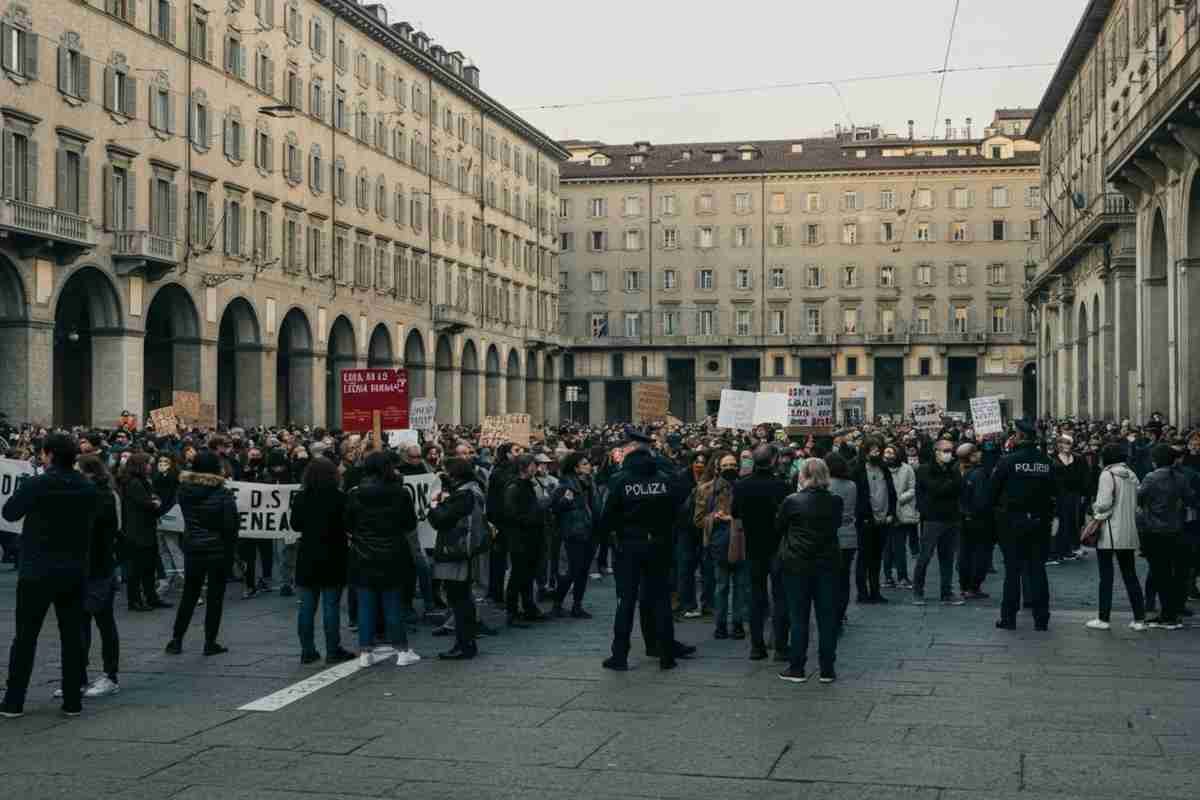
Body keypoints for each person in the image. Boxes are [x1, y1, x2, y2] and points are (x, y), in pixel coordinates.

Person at [1, 433, 100, 718]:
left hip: (37, 570)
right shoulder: (87, 486)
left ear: (49, 455)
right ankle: (72, 701)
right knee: (72, 636)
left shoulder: (37, 484)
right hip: (73, 570)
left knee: (25, 637)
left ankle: (14, 701)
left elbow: (9, 513)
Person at [598, 431, 680, 671]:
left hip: (629, 546)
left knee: (626, 601)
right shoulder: (664, 478)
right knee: (661, 599)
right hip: (659, 544)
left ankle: (620, 656)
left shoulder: (621, 479)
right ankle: (667, 656)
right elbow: (676, 508)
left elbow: (607, 516)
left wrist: (612, 534)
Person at [345, 451, 422, 667]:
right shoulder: (400, 492)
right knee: (392, 604)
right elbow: (409, 524)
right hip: (392, 553)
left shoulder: (355, 493)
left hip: (362, 555)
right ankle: (402, 650)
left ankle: (365, 652)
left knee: (366, 605)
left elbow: (348, 524)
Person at [775, 457, 843, 684]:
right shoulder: (836, 501)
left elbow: (779, 526)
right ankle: (827, 669)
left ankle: (797, 667)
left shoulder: (792, 500)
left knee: (799, 617)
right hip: (827, 564)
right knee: (827, 618)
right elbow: (836, 525)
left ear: (803, 475)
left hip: (797, 564)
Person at [165, 451, 239, 656]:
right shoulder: (222, 493)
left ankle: (176, 639)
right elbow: (230, 525)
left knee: (189, 594)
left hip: (193, 547)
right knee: (215, 597)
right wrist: (231, 550)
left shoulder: (184, 490)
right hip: (218, 550)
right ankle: (209, 642)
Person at [989, 420, 1056, 631]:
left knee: (1012, 572)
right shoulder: (1046, 462)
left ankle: (1009, 618)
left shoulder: (1007, 462)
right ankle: (1041, 618)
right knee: (1037, 569)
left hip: (1012, 522)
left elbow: (992, 493)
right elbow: (1055, 492)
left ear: (1018, 437)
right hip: (1039, 522)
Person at [290, 456, 354, 665]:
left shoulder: (301, 497)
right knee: (331, 605)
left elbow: (296, 525)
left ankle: (307, 651)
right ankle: (333, 649)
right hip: (333, 554)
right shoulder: (340, 498)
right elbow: (348, 525)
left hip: (308, 554)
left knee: (307, 606)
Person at [732, 445, 791, 661]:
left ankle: (757, 647)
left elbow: (735, 512)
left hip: (754, 546)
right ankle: (781, 647)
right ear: (774, 460)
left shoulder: (741, 485)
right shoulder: (782, 486)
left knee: (756, 598)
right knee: (780, 597)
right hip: (776, 546)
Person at [70, 455, 122, 699]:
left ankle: (110, 676)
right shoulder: (87, 494)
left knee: (102, 620)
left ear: (89, 473)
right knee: (80, 623)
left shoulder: (102, 496)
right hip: (83, 567)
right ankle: (78, 677)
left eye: (77, 470)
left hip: (100, 567)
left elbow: (105, 529)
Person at [428, 457, 487, 660]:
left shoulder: (463, 495)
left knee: (458, 598)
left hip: (456, 549)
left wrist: (435, 505)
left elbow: (441, 519)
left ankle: (464, 644)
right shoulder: (472, 489)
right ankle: (466, 642)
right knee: (463, 598)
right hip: (465, 549)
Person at [1085, 443, 1147, 631]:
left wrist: (1095, 514)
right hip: (1128, 531)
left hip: (1110, 531)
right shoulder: (1132, 475)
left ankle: (1104, 619)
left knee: (1106, 576)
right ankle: (1139, 619)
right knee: (1130, 575)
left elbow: (1104, 504)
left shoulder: (1108, 474)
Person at [1138, 444, 1195, 630]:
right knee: (1171, 573)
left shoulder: (1151, 477)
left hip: (1155, 531)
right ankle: (1171, 612)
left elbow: (1139, 497)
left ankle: (1167, 616)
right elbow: (1190, 499)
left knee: (1159, 573)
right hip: (1175, 529)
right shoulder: (1180, 478)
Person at [695, 451, 748, 639]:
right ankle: (721, 624)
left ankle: (738, 623)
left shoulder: (744, 488)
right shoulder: (706, 489)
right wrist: (714, 518)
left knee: (741, 586)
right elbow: (698, 519)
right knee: (722, 586)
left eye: (733, 465)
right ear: (718, 468)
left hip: (741, 543)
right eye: (725, 466)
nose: (729, 469)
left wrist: (732, 518)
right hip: (718, 543)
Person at [913, 438, 965, 606]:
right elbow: (935, 489)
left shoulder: (953, 469)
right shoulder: (924, 469)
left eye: (951, 450)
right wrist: (950, 484)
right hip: (932, 519)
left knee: (948, 558)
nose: (949, 454)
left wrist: (949, 485)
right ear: (936, 452)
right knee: (925, 556)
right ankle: (918, 591)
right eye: (945, 450)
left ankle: (946, 592)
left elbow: (959, 487)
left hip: (952, 518)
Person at [119, 453, 171, 612]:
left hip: (145, 529)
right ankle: (134, 600)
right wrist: (155, 503)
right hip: (137, 531)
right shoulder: (134, 483)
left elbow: (154, 502)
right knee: (136, 568)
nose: (151, 467)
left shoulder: (142, 481)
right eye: (148, 464)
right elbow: (148, 504)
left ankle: (151, 597)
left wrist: (155, 503)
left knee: (149, 567)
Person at [552, 451, 598, 618]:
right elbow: (555, 508)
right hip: (574, 533)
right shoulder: (566, 485)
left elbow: (595, 506)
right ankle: (557, 603)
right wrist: (566, 501)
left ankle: (577, 606)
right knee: (573, 570)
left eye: (588, 463)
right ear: (575, 467)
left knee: (583, 571)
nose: (589, 466)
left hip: (589, 532)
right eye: (584, 464)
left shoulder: (590, 482)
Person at [503, 454, 547, 627]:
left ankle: (529, 607)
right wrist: (532, 518)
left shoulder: (530, 484)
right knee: (518, 575)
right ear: (524, 467)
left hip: (532, 536)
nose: (535, 468)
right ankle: (511, 612)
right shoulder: (514, 487)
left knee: (528, 574)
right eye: (533, 465)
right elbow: (511, 514)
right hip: (520, 538)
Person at [852, 438, 894, 604]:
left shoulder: (884, 469)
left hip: (883, 520)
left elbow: (891, 493)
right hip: (866, 521)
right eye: (874, 450)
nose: (877, 453)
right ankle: (862, 593)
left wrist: (891, 512)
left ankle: (875, 591)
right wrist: (862, 516)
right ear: (866, 451)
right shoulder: (857, 470)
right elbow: (857, 497)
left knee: (877, 558)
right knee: (863, 558)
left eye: (879, 450)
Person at [825, 452, 859, 639]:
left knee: (829, 579)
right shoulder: (852, 485)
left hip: (830, 536)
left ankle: (830, 615)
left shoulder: (826, 485)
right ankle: (840, 614)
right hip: (849, 535)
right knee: (844, 578)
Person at [957, 442, 992, 599]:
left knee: (965, 552)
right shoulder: (979, 473)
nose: (980, 454)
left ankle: (964, 585)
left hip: (963, 518)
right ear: (972, 456)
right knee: (979, 553)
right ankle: (973, 586)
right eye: (977, 452)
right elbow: (981, 500)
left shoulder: (958, 470)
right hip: (978, 520)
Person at [1050, 434, 1089, 564]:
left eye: (1067, 443)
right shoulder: (1052, 459)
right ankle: (1055, 552)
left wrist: (1084, 494)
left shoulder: (1078, 459)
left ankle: (1067, 550)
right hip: (1058, 496)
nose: (1064, 445)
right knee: (1059, 523)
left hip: (1074, 496)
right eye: (1062, 443)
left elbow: (1084, 477)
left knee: (1072, 522)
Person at [883, 444, 917, 590]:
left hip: (902, 510)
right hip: (884, 511)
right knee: (887, 547)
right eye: (886, 452)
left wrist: (900, 498)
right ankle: (888, 576)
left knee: (899, 546)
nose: (888, 455)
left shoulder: (907, 469)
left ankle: (902, 576)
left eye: (891, 452)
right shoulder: (881, 469)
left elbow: (912, 488)